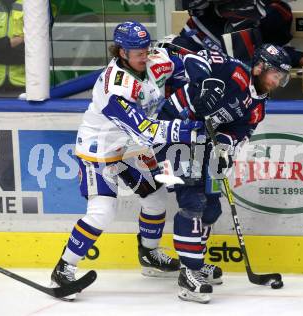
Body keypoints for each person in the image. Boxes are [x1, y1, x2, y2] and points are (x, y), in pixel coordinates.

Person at [50, 21, 205, 299]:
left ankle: (148, 254)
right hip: (99, 151)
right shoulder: (115, 87)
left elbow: (186, 66)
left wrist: (199, 79)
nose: (145, 55)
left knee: (156, 200)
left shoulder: (152, 61)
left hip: (128, 150)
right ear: (121, 52)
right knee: (102, 212)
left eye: (147, 48)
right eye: (138, 52)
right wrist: (186, 128)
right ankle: (63, 268)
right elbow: (145, 131)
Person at [157, 43, 291, 303]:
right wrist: (202, 82)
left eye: (281, 77)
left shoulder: (258, 107)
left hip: (203, 143)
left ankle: (195, 258)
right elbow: (195, 56)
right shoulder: (233, 71)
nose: (278, 81)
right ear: (260, 67)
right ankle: (189, 271)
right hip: (172, 131)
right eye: (276, 74)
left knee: (211, 209)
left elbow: (240, 133)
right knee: (193, 202)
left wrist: (226, 146)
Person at [174, 0, 303, 67]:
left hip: (229, 61)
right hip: (193, 43)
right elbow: (191, 6)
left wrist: (294, 58)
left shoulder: (276, 12)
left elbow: (262, 51)